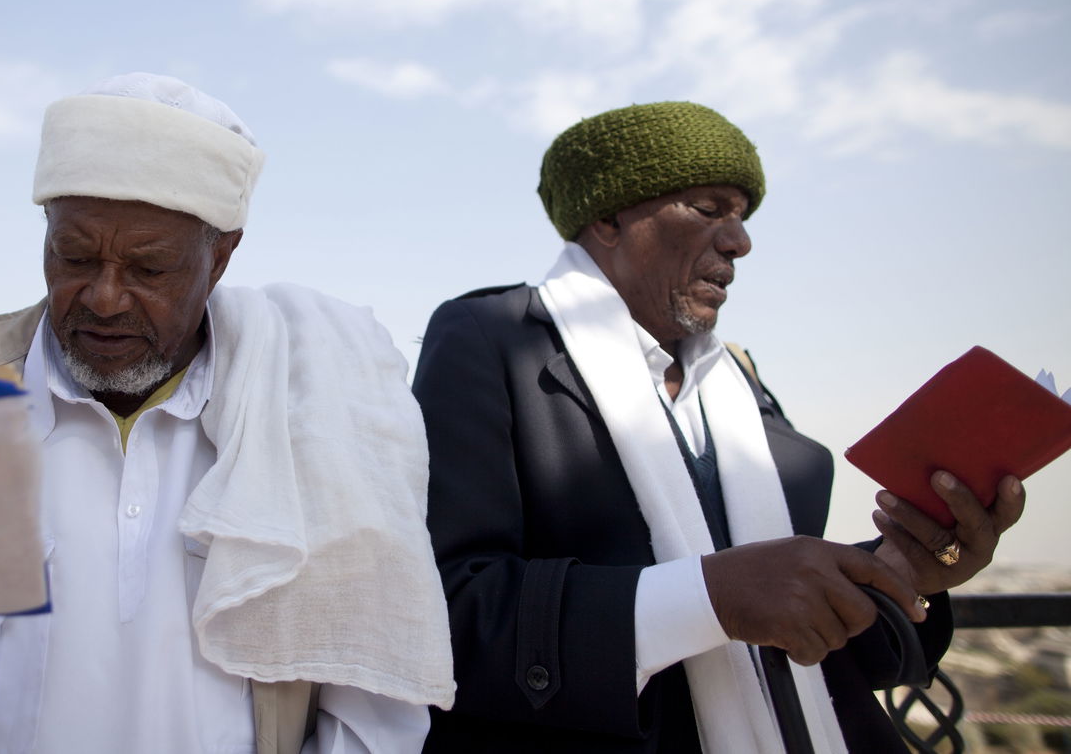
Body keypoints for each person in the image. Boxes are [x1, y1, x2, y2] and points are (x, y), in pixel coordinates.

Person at [0, 72, 454, 754]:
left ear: (221, 258)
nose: (106, 297)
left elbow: (374, 713)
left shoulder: (315, 414)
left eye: (149, 268)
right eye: (75, 255)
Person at [412, 101, 1024, 752]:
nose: (740, 241)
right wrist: (706, 597)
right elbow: (449, 611)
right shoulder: (491, 336)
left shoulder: (738, 379)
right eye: (709, 209)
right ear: (609, 217)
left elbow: (802, 642)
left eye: (741, 216)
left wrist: (899, 571)